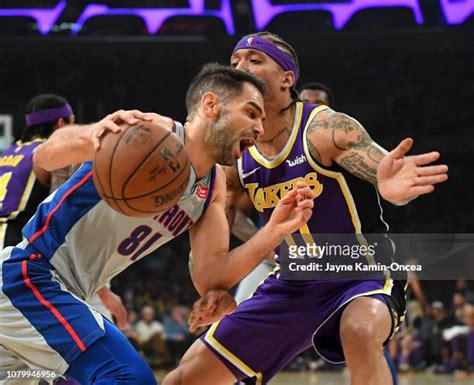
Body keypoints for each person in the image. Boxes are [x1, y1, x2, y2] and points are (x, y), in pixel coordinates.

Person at [0, 64, 314, 385]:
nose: (260, 127)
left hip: (66, 293)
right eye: (251, 113)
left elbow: (211, 274)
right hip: (28, 277)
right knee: (126, 377)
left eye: (262, 118)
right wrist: (91, 135)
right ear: (210, 105)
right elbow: (47, 153)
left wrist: (273, 232)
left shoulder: (213, 187)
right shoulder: (152, 132)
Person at [162, 33, 448, 385]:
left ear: (287, 78)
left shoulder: (324, 127)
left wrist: (391, 186)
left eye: (254, 60)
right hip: (292, 281)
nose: (240, 67)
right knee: (185, 377)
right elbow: (216, 250)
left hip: (361, 269)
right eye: (235, 61)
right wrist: (215, 291)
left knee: (359, 331)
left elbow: (383, 171)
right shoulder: (236, 156)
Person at [0, 94, 74, 250]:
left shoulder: (6, 153)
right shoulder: (50, 154)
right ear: (61, 124)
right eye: (72, 124)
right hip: (11, 244)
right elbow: (59, 214)